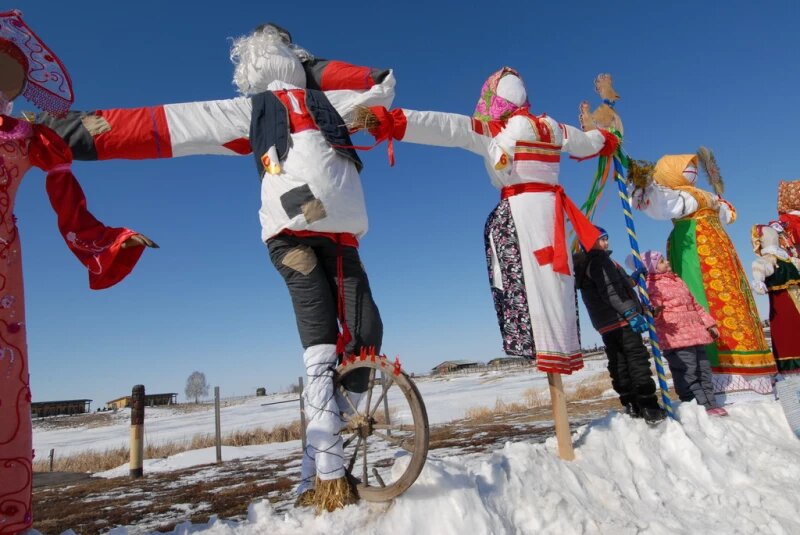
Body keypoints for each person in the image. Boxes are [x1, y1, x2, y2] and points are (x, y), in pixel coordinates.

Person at [37, 23, 396, 512]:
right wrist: (60, 131)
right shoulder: (251, 111)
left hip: (342, 236)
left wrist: (315, 71)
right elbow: (168, 124)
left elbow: (380, 85)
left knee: (367, 328)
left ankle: (328, 444)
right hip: (290, 233)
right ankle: (328, 476)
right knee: (319, 343)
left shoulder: (332, 105)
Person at [352, 67, 616, 375]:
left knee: (524, 280)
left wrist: (395, 121)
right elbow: (588, 142)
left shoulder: (494, 131)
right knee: (556, 279)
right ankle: (561, 348)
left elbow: (448, 127)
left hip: (520, 213)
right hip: (553, 212)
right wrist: (606, 138)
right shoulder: (555, 128)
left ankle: (537, 347)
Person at [0, 10, 155, 533]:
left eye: (12, 71)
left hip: (2, 271)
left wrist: (110, 241)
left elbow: (69, 204)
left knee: (3, 389)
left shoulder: (27, 138)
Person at [629, 150, 776, 403]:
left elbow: (727, 215)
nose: (692, 171)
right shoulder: (678, 196)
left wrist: (718, 203)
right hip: (697, 249)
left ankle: (741, 370)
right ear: (670, 174)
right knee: (702, 295)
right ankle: (718, 371)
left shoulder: (698, 195)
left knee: (728, 297)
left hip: (712, 249)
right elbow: (659, 205)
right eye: (684, 167)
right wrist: (643, 184)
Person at [573, 228, 667, 423]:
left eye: (606, 238)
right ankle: (649, 405)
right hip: (621, 319)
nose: (606, 243)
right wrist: (631, 313)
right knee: (637, 360)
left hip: (605, 324)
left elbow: (620, 285)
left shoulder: (587, 265)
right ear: (589, 242)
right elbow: (612, 292)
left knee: (619, 363)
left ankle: (631, 403)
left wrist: (634, 278)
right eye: (601, 240)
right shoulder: (600, 261)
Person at [640, 250, 727, 416]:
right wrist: (653, 310)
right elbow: (653, 311)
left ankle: (711, 403)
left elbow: (695, 305)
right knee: (688, 371)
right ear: (652, 267)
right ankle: (696, 405)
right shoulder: (650, 286)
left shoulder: (677, 280)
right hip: (676, 337)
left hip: (696, 332)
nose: (667, 262)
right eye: (661, 261)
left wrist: (709, 324)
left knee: (704, 369)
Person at [751, 223, 800, 374]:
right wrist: (758, 281)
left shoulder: (787, 258)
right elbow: (760, 268)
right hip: (783, 303)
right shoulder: (769, 258)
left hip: (796, 298)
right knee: (789, 331)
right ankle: (792, 365)